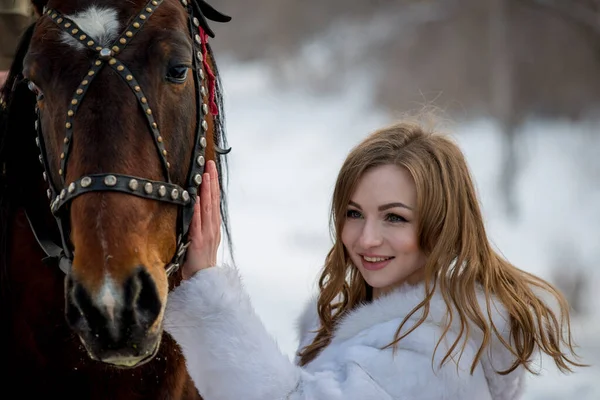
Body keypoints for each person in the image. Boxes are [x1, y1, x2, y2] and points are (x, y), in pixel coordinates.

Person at [164, 121, 584, 400]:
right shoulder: (394, 328)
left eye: (394, 217)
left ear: (441, 226)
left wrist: (208, 293)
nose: (366, 238)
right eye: (354, 213)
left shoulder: (432, 352)